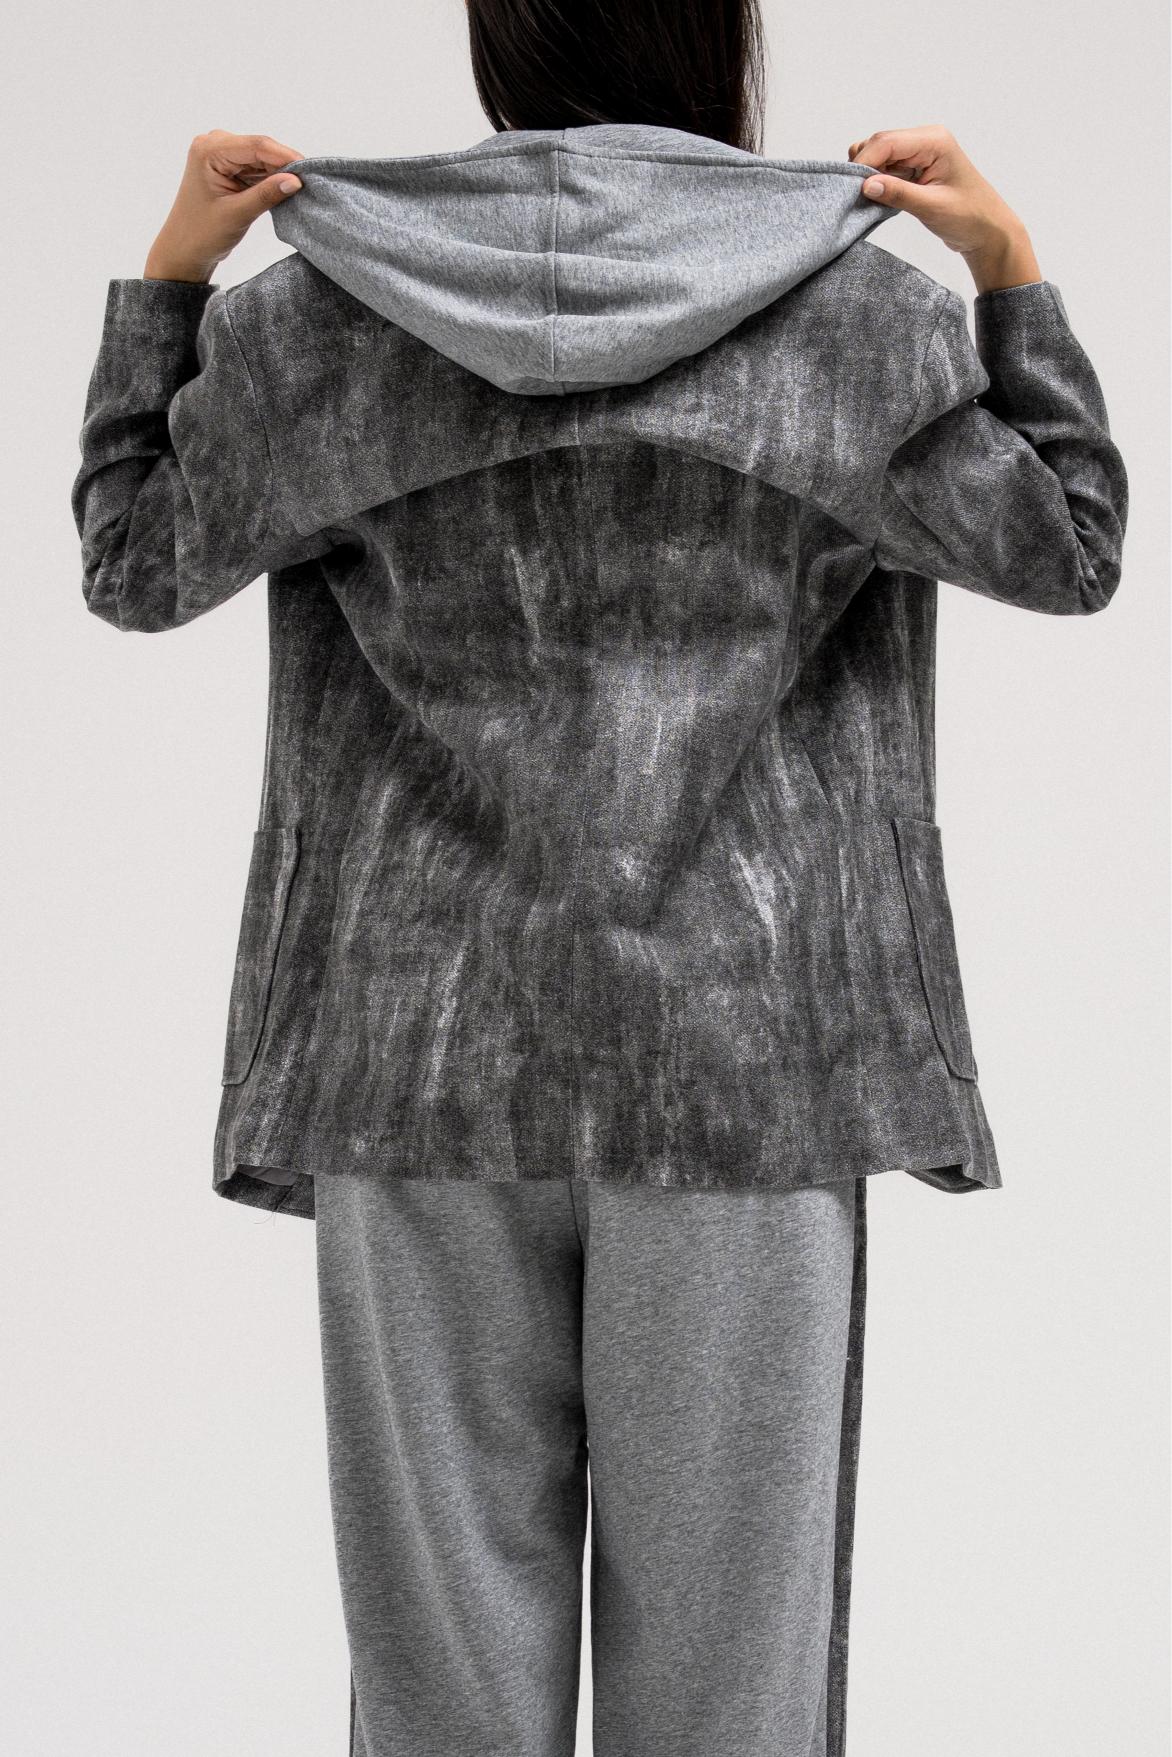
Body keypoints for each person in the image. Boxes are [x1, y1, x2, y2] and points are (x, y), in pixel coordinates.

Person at [71, 2, 1128, 1752]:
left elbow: (131, 559)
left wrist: (172, 284)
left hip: (413, 1067)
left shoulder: (323, 321)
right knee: (731, 1699)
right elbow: (1071, 542)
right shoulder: (857, 324)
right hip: (748, 1070)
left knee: (442, 1694)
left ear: (503, 48)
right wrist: (1008, 267)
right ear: (718, 44)